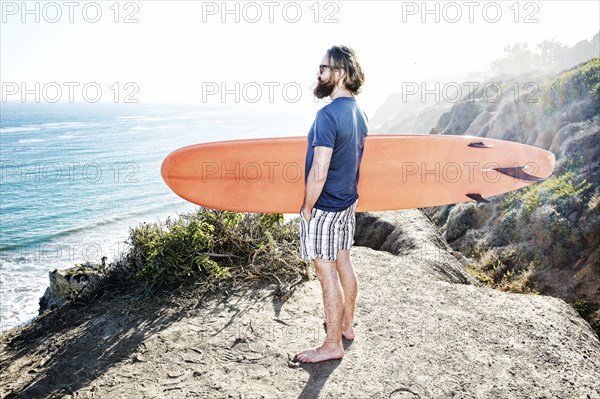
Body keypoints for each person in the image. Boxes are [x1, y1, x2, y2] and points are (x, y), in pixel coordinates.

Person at [294, 45, 368, 363]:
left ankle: (332, 343)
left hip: (325, 207)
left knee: (326, 274)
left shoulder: (326, 115)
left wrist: (307, 207)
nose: (318, 74)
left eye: (323, 68)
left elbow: (320, 169)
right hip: (347, 203)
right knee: (343, 264)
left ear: (338, 72)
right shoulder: (359, 112)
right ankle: (347, 326)